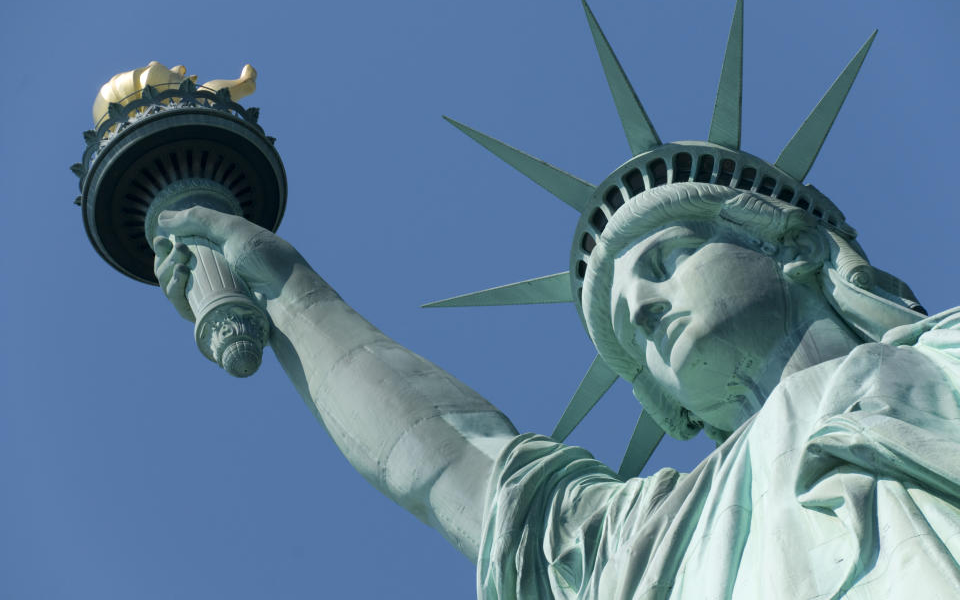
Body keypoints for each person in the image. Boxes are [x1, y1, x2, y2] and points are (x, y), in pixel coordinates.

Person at [152, 178, 960, 599]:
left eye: (665, 259)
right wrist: (292, 294)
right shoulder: (647, 543)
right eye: (622, 316)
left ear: (793, 250)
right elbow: (454, 467)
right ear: (667, 406)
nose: (642, 306)